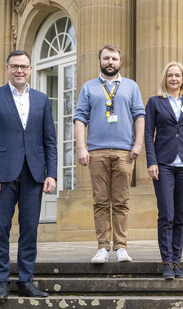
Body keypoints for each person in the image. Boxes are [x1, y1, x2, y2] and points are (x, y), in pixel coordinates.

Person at [0, 50, 57, 301]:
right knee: (1, 229)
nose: (19, 70)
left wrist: (51, 174)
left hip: (34, 175)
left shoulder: (42, 100)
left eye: (24, 66)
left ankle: (25, 281)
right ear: (7, 68)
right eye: (15, 66)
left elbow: (50, 142)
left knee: (30, 230)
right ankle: (0, 282)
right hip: (2, 175)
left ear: (30, 69)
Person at [74, 45, 145, 264]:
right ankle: (103, 247)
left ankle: (121, 246)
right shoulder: (88, 87)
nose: (110, 62)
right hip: (97, 151)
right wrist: (81, 147)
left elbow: (139, 115)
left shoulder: (131, 87)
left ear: (120, 62)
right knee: (101, 201)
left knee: (121, 201)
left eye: (114, 58)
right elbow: (79, 118)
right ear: (100, 61)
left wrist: (138, 144)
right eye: (106, 58)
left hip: (124, 151)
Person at [145, 62, 183, 279]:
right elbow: (149, 134)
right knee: (166, 214)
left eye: (177, 75)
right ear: (165, 78)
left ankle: (177, 260)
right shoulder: (155, 102)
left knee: (181, 216)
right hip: (164, 164)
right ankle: (166, 261)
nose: (174, 78)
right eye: (170, 75)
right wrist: (152, 162)